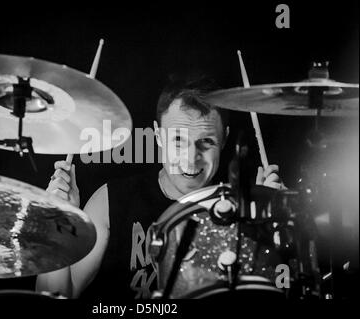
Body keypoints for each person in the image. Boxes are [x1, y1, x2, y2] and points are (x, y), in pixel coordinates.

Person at [36, 75, 282, 299]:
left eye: (206, 142)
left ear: (224, 139)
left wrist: (271, 226)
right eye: (178, 140)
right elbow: (57, 295)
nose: (191, 158)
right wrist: (59, 224)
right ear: (158, 135)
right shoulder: (111, 201)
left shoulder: (240, 213)